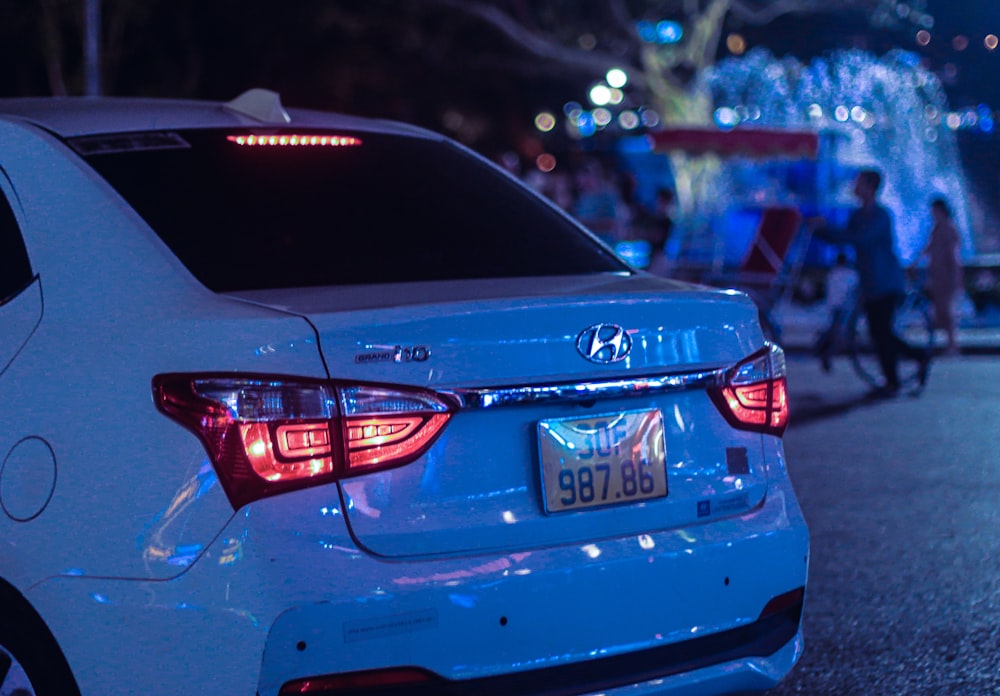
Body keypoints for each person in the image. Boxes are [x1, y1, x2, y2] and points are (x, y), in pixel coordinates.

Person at [808, 169, 930, 396]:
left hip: (886, 282)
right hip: (871, 283)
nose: (854, 186)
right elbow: (845, 237)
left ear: (871, 188)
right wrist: (820, 231)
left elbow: (859, 239)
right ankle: (917, 358)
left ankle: (894, 381)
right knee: (880, 333)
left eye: (859, 183)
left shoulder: (881, 216)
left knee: (881, 332)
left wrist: (824, 228)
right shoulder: (858, 215)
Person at [917, 197, 963, 355]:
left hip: (946, 276)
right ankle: (948, 343)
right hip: (937, 275)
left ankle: (952, 344)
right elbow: (928, 248)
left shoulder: (948, 228)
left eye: (934, 211)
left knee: (946, 311)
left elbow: (953, 254)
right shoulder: (937, 228)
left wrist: (955, 276)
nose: (932, 214)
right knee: (941, 311)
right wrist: (916, 261)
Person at [814, 252, 858, 372]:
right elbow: (853, 291)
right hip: (844, 308)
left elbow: (829, 291)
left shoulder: (832, 274)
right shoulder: (850, 274)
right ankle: (826, 353)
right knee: (838, 333)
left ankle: (823, 350)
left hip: (835, 307)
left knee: (834, 330)